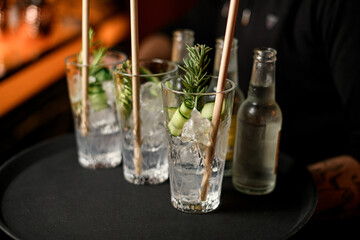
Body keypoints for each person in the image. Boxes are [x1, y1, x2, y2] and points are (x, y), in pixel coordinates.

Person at [139, 0, 360, 221]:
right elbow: (179, 31)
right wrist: (138, 73)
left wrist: (287, 202)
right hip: (230, 179)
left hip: (294, 191)